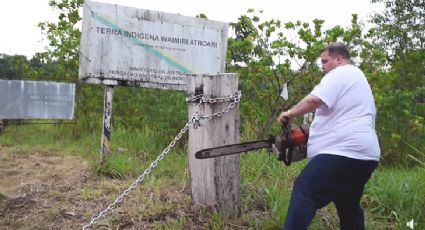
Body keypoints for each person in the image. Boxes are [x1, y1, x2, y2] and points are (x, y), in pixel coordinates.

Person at [277, 42, 380, 230]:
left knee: (304, 189)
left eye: (325, 61)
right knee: (348, 207)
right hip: (366, 156)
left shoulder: (341, 73)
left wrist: (289, 113)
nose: (322, 66)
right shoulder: (358, 79)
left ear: (338, 59)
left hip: (344, 151)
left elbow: (315, 99)